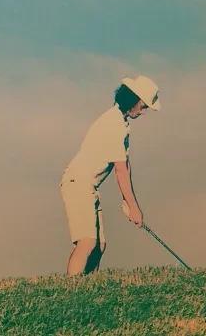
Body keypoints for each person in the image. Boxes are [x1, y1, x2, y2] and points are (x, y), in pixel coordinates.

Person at [59, 74, 160, 276]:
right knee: (87, 242)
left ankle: (87, 291)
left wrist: (127, 201)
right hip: (78, 182)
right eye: (144, 105)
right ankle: (69, 294)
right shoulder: (113, 124)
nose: (144, 110)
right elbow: (120, 171)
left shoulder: (121, 123)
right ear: (134, 100)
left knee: (99, 246)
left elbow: (126, 166)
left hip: (88, 186)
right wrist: (134, 208)